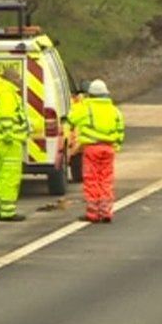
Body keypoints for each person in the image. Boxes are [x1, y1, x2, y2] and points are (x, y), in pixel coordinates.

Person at [66, 79, 124, 223]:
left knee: (92, 180)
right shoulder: (114, 110)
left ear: (90, 95)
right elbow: (120, 130)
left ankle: (93, 213)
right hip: (109, 149)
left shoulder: (85, 108)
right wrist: (116, 146)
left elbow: (70, 119)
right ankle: (105, 212)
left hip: (91, 149)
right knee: (106, 179)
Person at [0, 66, 30, 222]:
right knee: (11, 178)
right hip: (8, 143)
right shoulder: (7, 93)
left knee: (1, 177)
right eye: (17, 77)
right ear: (10, 79)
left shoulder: (0, 91)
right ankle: (7, 212)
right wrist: (10, 136)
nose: (20, 80)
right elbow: (7, 117)